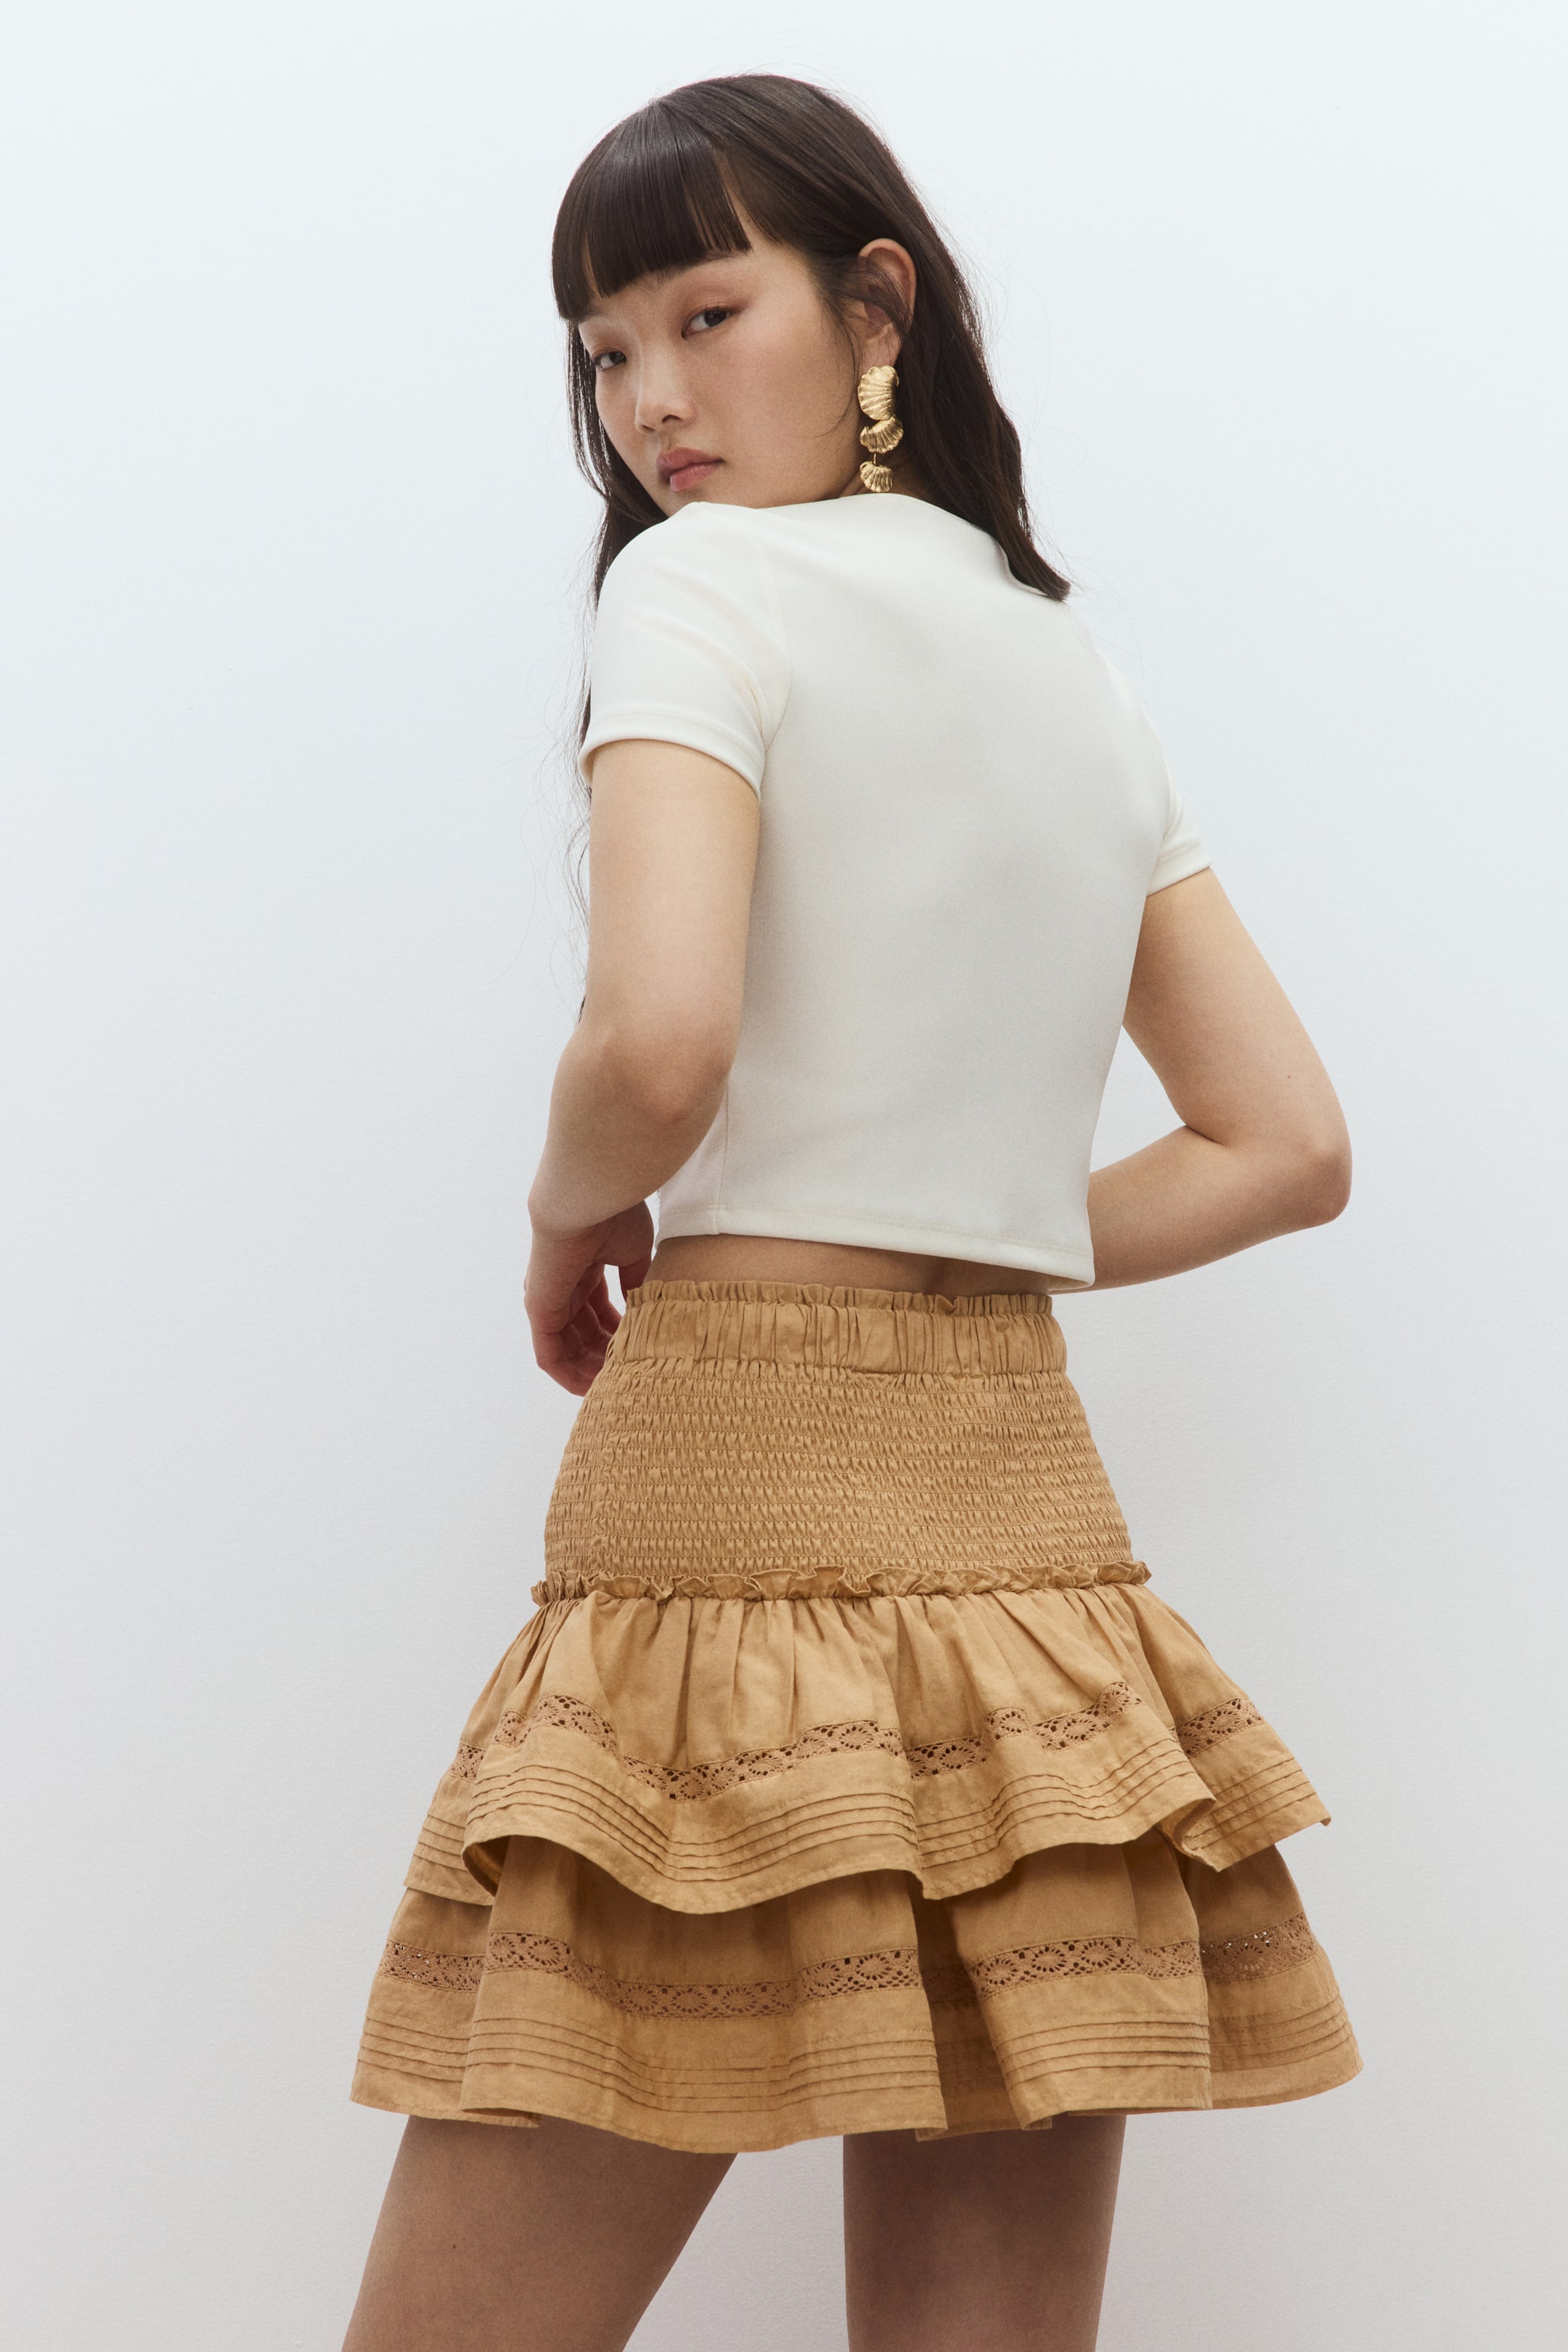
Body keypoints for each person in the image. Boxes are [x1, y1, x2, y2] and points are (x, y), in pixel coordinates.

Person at [341, 72, 1360, 2352]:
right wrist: (972, 1220)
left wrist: (561, 1215)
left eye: (706, 314)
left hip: (734, 1504)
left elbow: (659, 1045)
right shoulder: (1063, 656)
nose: (652, 404)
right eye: (607, 351)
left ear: (875, 306)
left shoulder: (700, 592)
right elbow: (1282, 1141)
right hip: (1030, 1544)